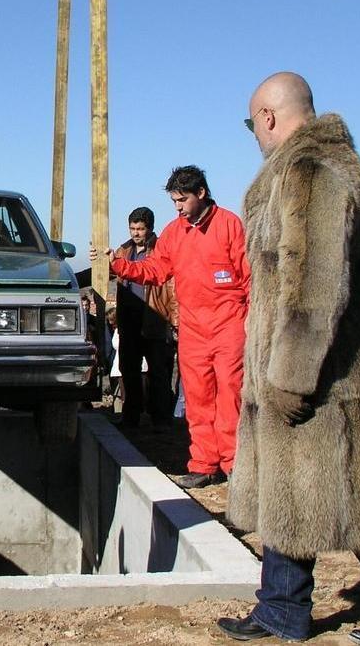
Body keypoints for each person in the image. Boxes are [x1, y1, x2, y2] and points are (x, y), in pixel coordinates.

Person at [220, 72, 360, 645]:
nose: (254, 134)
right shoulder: (327, 165)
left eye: (252, 123)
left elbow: (313, 286)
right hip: (317, 370)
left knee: (355, 491)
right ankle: (281, 609)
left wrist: (290, 377)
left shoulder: (312, 170)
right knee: (293, 492)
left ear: (268, 116)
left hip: (325, 375)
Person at [93, 165, 249, 487]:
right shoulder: (174, 232)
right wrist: (118, 264)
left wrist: (249, 321)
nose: (177, 207)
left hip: (229, 324)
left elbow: (248, 276)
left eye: (182, 199)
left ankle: (235, 464)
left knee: (230, 392)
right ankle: (204, 463)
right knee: (198, 395)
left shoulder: (230, 225)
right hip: (193, 328)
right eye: (174, 201)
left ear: (201, 193)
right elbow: (155, 269)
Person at [110, 207, 179, 426]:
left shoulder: (160, 251)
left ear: (149, 228)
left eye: (140, 229)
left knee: (158, 373)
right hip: (129, 322)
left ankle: (160, 420)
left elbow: (172, 288)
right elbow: (102, 271)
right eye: (132, 228)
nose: (136, 233)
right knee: (128, 372)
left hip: (154, 321)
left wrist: (175, 321)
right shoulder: (123, 251)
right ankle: (131, 417)